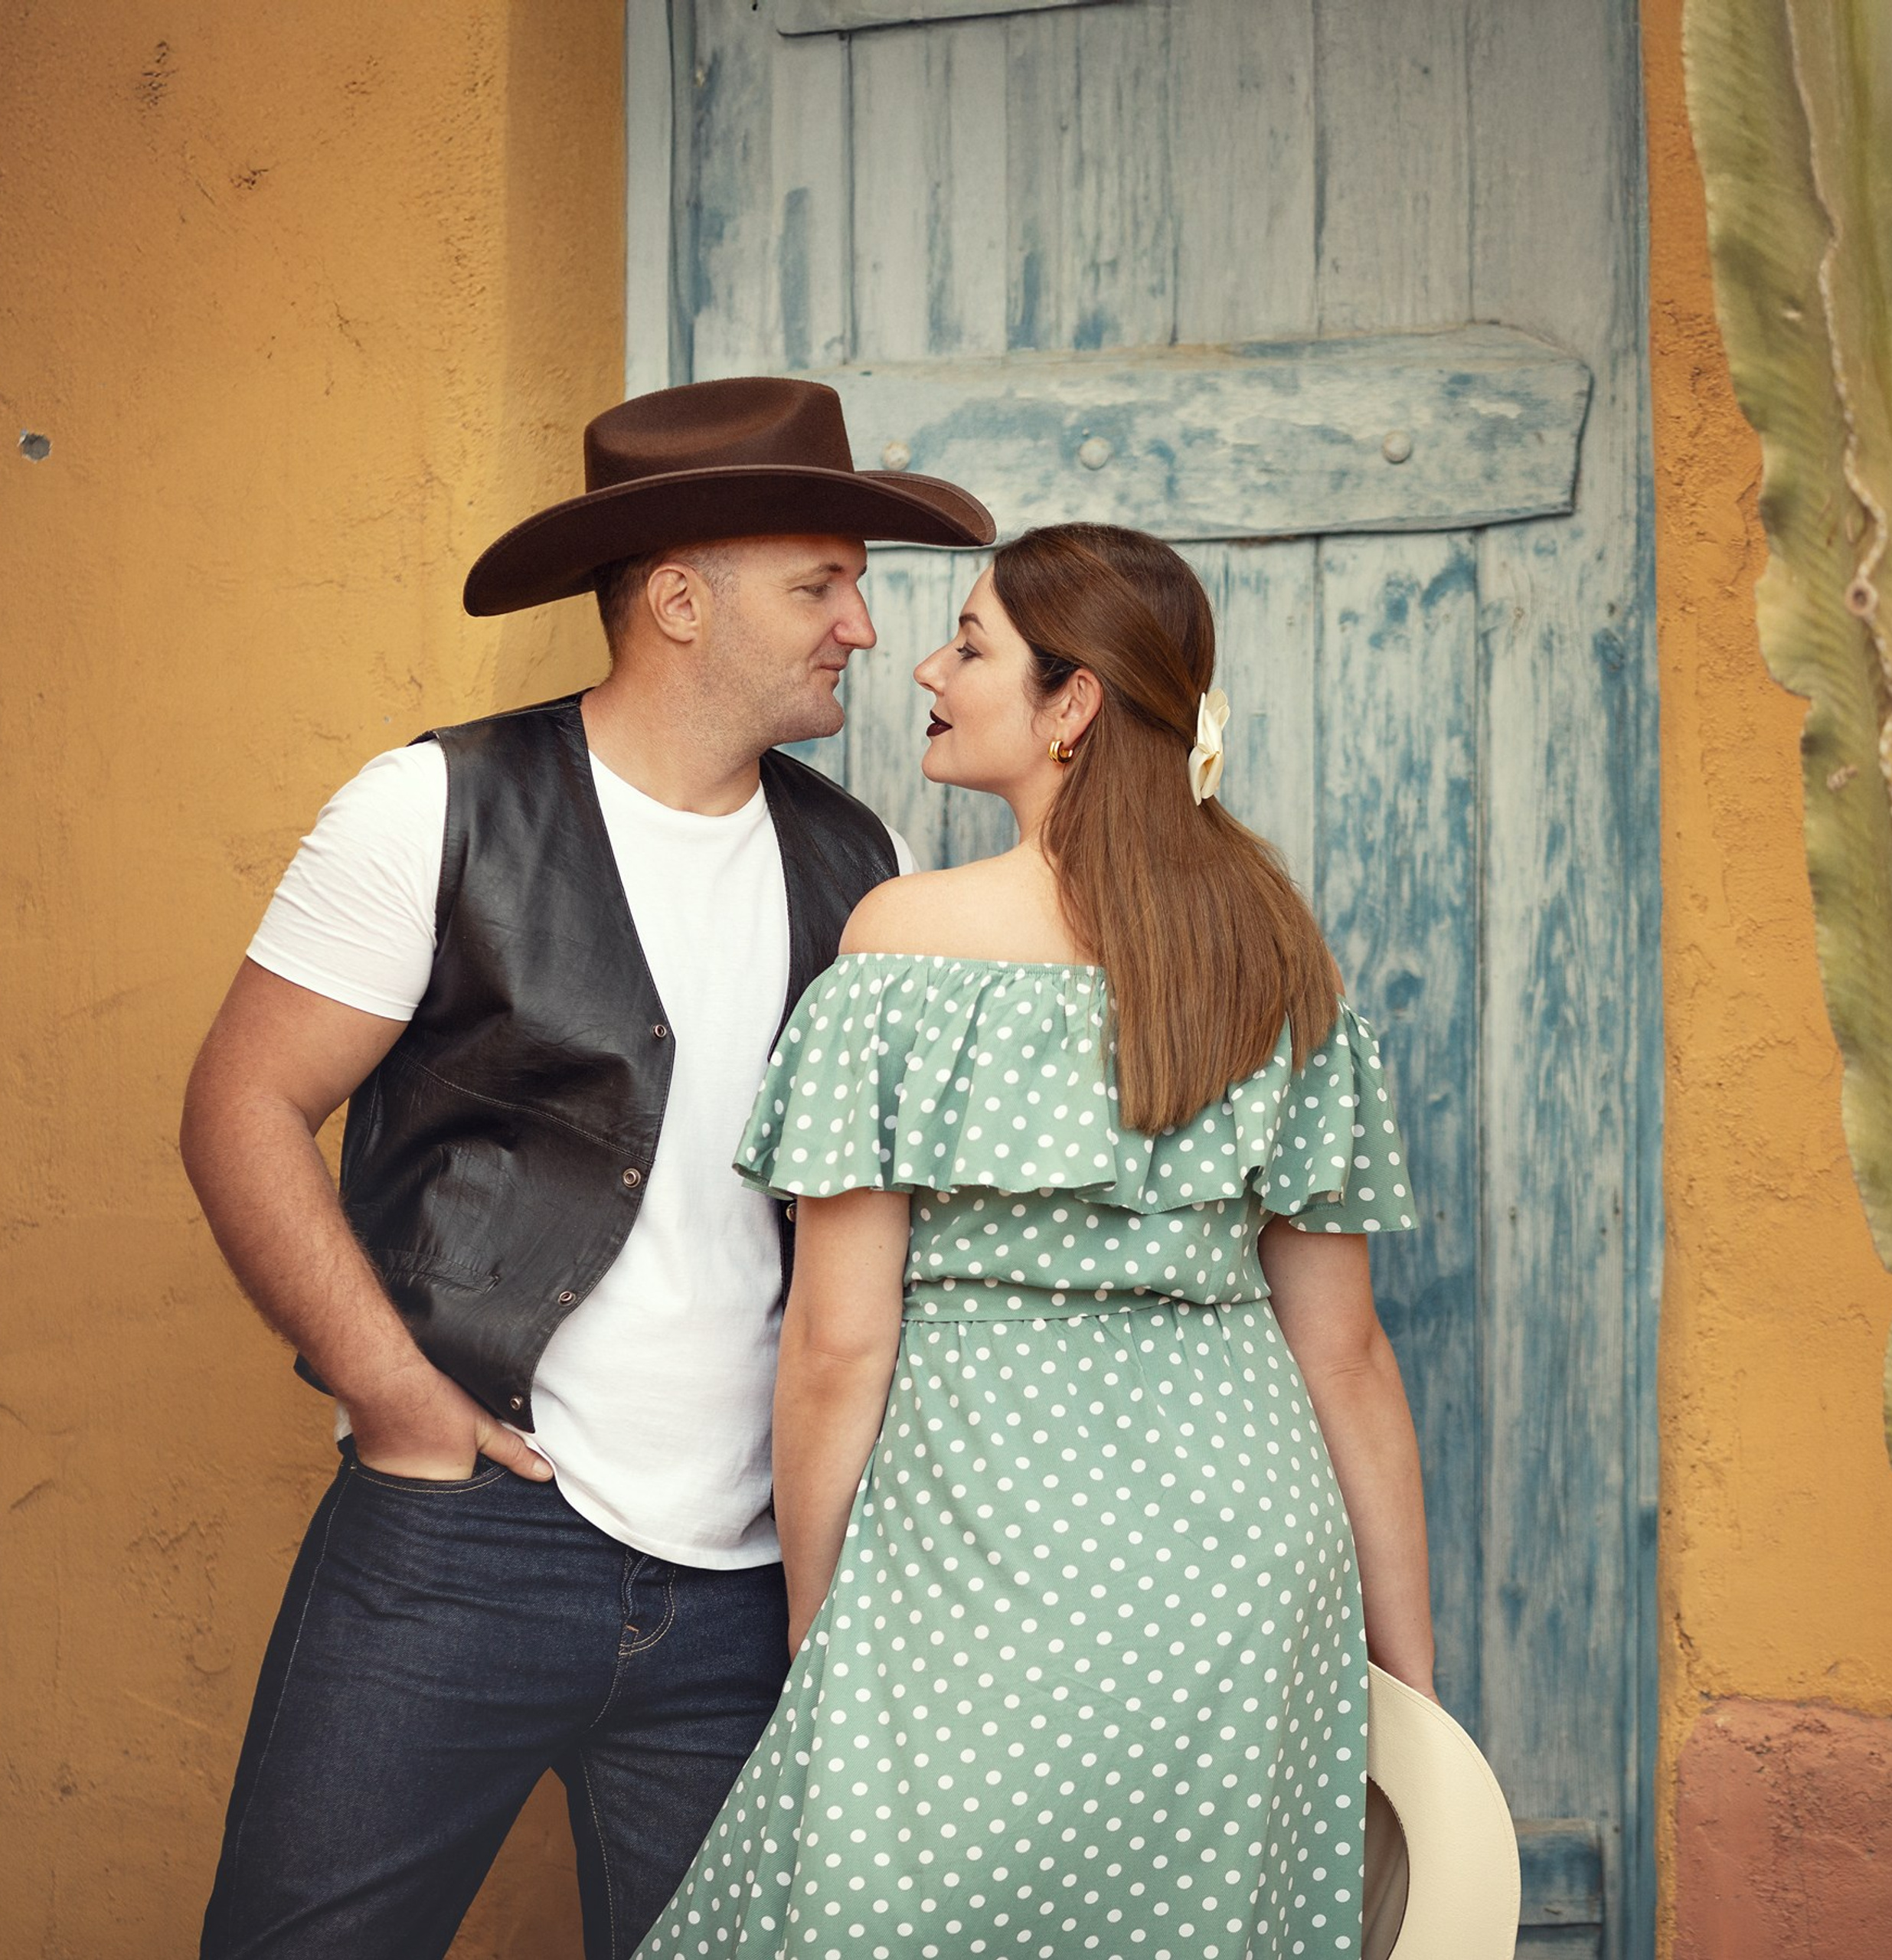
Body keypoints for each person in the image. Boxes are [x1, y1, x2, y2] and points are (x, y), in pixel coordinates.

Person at [178, 376, 994, 1960]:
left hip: (755, 1580)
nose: (861, 629)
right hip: (462, 1540)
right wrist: (392, 1391)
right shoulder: (433, 807)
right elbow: (240, 1108)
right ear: (680, 597)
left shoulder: (863, 860)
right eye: (820, 583)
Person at [632, 522, 1436, 1960]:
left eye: (971, 643)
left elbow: (836, 1345)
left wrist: (818, 1639)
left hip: (980, 1562)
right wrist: (1409, 1687)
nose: (925, 665)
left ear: (1072, 706)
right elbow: (1349, 1353)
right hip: (1248, 1579)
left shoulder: (906, 947)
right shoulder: (1277, 961)